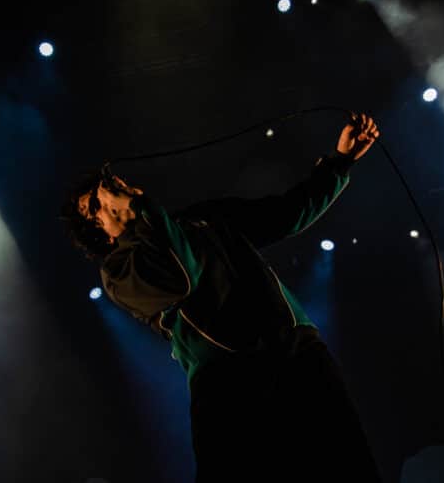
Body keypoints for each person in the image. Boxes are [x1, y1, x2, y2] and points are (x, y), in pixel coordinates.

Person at [61, 113, 382, 482]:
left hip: (298, 352)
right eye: (95, 206)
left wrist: (340, 162)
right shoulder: (119, 273)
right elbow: (178, 274)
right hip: (228, 381)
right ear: (100, 232)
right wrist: (140, 211)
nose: (109, 193)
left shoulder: (200, 219)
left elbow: (285, 213)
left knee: (347, 465)